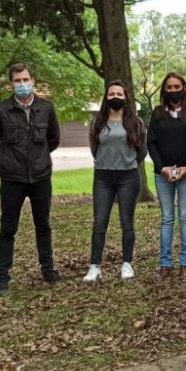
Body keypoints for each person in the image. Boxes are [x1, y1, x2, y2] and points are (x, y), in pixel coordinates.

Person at [0, 63, 61, 297]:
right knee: (8, 228)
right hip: (12, 180)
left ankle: (48, 270)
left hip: (40, 178)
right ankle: (2, 277)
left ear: (33, 80)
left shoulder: (46, 109)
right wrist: (6, 160)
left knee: (43, 225)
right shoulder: (1, 110)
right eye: (17, 81)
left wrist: (39, 160)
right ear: (11, 84)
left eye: (25, 79)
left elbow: (53, 139)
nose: (22, 84)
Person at [82, 81, 147, 282]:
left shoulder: (136, 123)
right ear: (106, 97)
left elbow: (142, 151)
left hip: (128, 177)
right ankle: (95, 266)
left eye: (119, 93)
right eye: (111, 94)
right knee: (99, 222)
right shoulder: (97, 122)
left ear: (126, 97)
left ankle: (127, 264)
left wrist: (127, 163)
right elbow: (94, 148)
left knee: (127, 223)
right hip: (103, 177)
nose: (115, 97)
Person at [147, 73, 186, 279]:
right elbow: (151, 143)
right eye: (169, 87)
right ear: (164, 90)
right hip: (162, 174)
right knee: (166, 218)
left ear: (184, 88)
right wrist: (162, 168)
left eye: (177, 86)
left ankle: (185, 261)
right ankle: (164, 262)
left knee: (184, 217)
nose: (173, 90)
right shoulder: (157, 114)